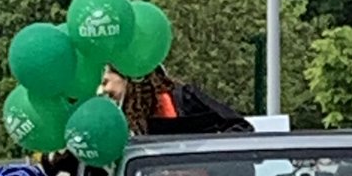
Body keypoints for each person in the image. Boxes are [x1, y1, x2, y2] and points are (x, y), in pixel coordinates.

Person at [99, 65, 252, 136]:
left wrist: (206, 156)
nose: (102, 90)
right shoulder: (117, 122)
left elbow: (241, 127)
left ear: (127, 78)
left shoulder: (183, 98)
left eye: (105, 82)